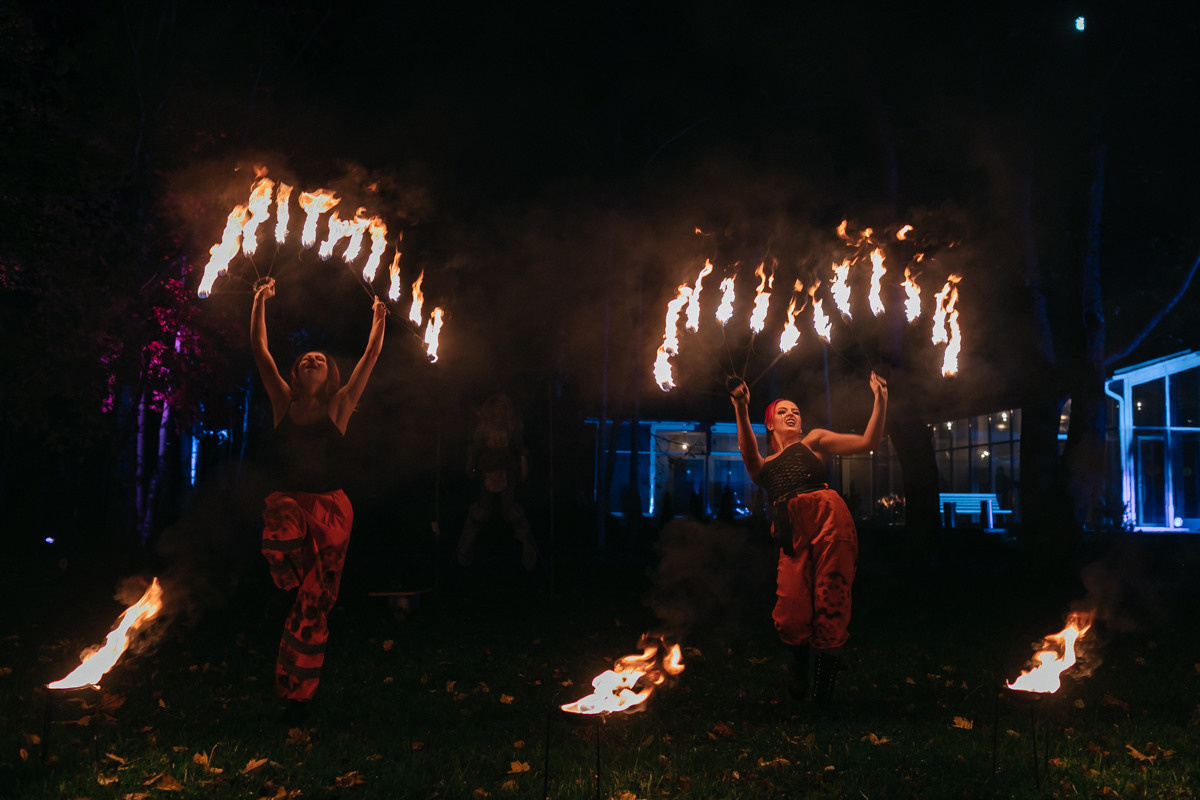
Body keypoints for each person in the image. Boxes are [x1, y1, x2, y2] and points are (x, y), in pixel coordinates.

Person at [251, 277, 387, 722]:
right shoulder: (282, 400)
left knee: (314, 607)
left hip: (330, 512)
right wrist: (259, 302)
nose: (312, 358)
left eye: (321, 359)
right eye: (306, 357)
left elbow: (369, 358)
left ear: (331, 375)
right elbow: (260, 350)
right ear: (295, 372)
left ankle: (297, 694)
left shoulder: (339, 406)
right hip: (290, 506)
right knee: (280, 514)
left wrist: (378, 319)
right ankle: (285, 576)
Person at [730, 372, 887, 713]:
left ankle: (822, 696)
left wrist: (881, 399)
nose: (792, 414)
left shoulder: (813, 441)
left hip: (830, 519)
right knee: (791, 610)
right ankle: (799, 664)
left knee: (832, 601)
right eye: (783, 410)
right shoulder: (764, 465)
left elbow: (867, 442)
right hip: (792, 531)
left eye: (796, 411)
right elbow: (748, 453)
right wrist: (741, 408)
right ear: (769, 424)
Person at [455, 392, 537, 571]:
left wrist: (523, 469)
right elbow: (475, 448)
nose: (498, 410)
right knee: (482, 509)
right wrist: (471, 466)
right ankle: (464, 552)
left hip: (507, 472)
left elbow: (519, 449)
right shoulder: (483, 427)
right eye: (495, 407)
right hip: (487, 471)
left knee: (510, 509)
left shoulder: (512, 426)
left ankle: (529, 552)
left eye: (501, 407)